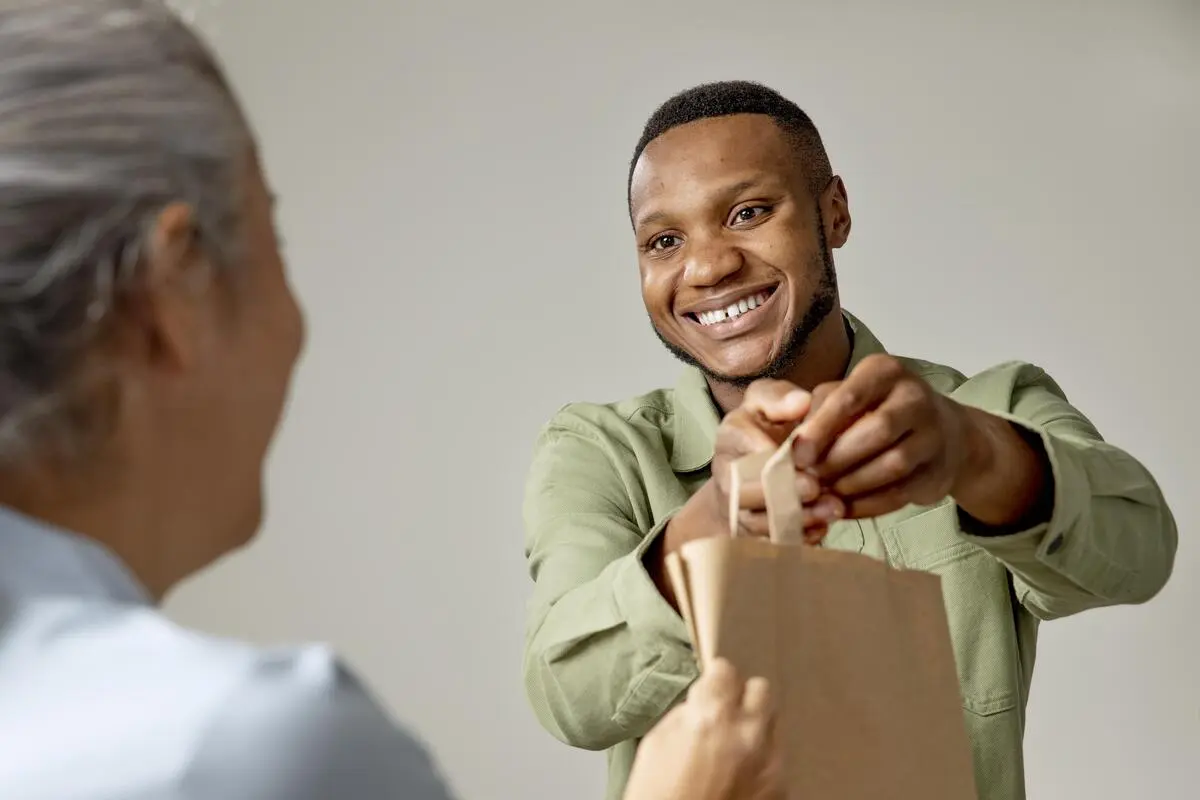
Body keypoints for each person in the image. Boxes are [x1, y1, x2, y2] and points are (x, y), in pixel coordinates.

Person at [0, 4, 783, 800]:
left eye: (750, 213)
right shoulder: (259, 746)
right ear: (177, 296)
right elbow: (570, 689)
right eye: (275, 237)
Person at [521, 79, 1179, 800]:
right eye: (664, 241)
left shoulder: (988, 406)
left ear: (833, 212)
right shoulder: (600, 451)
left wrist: (973, 453)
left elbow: (1141, 549)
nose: (707, 267)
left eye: (748, 212)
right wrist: (713, 526)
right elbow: (568, 695)